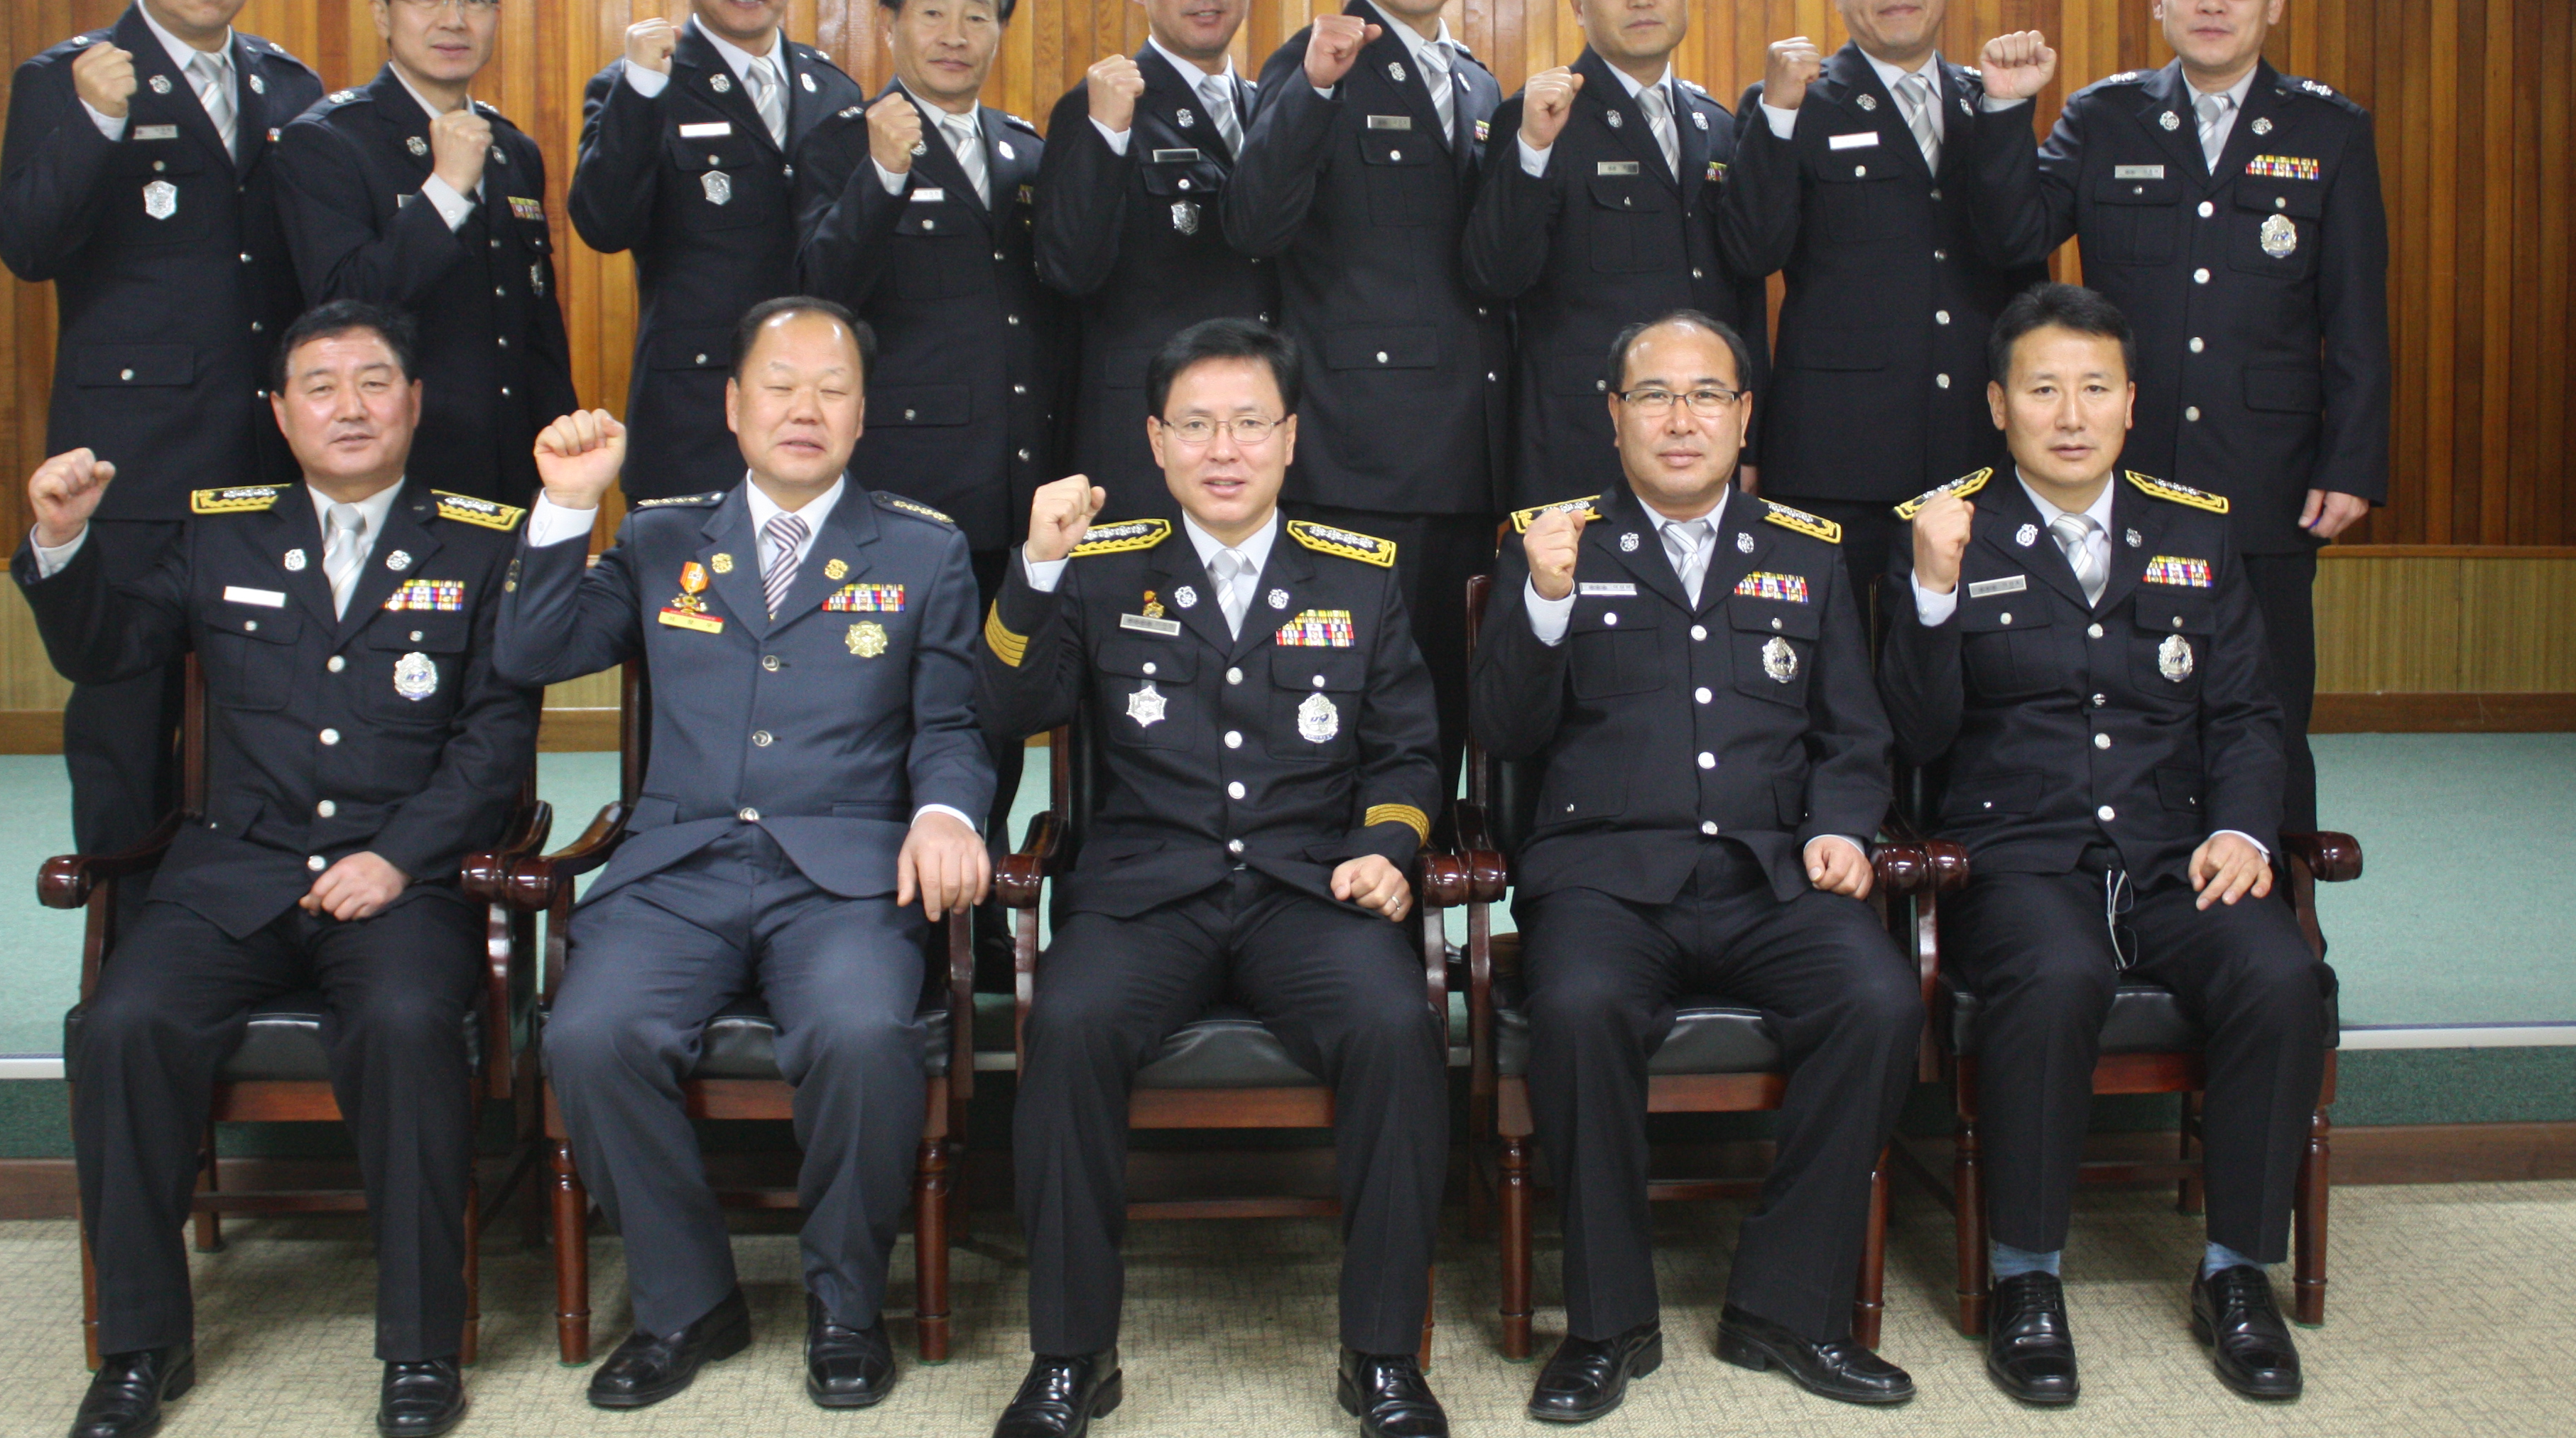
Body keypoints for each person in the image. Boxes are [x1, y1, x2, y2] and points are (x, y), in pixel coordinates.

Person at [14, 300, 536, 1438]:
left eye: (374, 382)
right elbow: (108, 650)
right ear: (281, 413)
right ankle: (139, 1347)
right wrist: (63, 543)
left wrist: (396, 858)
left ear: (415, 402)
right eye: (320, 387)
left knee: (405, 1023)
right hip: (234, 873)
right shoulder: (223, 532)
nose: (350, 407)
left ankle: (420, 1347)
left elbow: (495, 746)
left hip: (403, 884)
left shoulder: (484, 540)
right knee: (122, 1024)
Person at [497, 297, 991, 1414]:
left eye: (831, 389)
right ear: (733, 405)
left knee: (863, 1036)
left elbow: (952, 727)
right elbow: (531, 651)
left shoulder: (924, 549)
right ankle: (686, 1302)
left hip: (847, 877)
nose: (804, 409)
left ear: (862, 415)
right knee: (590, 1034)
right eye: (779, 386)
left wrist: (946, 815)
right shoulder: (660, 537)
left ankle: (846, 1308)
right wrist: (567, 505)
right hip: (680, 871)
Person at [974, 315, 1450, 1438]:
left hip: (1308, 892)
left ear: (1291, 438)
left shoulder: (1362, 575)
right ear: (1156, 441)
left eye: (1248, 424)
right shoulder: (1099, 568)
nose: (1223, 450)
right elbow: (1009, 705)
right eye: (1196, 426)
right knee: (1068, 1026)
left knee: (1396, 1027)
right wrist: (1035, 568)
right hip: (1147, 896)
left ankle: (1383, 1356)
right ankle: (1072, 1358)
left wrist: (1385, 848)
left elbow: (1408, 755)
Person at [1879, 281, 2331, 1407]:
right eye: (2043, 390)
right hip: (2019, 858)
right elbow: (1914, 737)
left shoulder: (2196, 530)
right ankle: (2027, 1276)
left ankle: (2237, 1274)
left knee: (2282, 974)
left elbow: (2248, 713)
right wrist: (1932, 593)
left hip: (2177, 852)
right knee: (2055, 974)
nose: (2070, 415)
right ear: (1999, 404)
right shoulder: (1944, 529)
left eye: (2094, 388)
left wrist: (2242, 828)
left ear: (2133, 402)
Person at [1470, 312, 1920, 1422]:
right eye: (1654, 396)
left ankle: (1785, 1307)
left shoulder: (1806, 551)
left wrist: (1843, 827)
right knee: (1578, 1008)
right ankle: (1609, 1324)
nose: (1682, 419)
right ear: (1614, 416)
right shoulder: (1552, 542)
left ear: (1744, 415)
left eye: (1707, 395)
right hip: (1605, 882)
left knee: (1877, 998)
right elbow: (1503, 733)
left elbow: (1854, 735)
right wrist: (1544, 602)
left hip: (1772, 878)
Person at [1973, 0, 2390, 832]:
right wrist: (2006, 111)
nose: (2213, 1)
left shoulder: (2329, 130)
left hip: (2266, 470)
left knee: (2266, 696)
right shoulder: (2106, 115)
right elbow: (2015, 235)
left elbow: (2357, 315)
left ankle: (2275, 885)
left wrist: (2352, 462)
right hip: (2122, 467)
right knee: (2127, 690)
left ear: (2275, 2)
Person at [0, 0, 325, 858]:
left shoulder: (289, 84)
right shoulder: (70, 79)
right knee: (126, 718)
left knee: (265, 712)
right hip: (134, 460)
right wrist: (95, 123)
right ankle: (121, 933)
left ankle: (244, 918)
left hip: (268, 462)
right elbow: (28, 246)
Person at [1227, 0, 1508, 789]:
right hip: (1360, 452)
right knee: (1344, 697)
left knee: (1446, 692)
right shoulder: (1319, 61)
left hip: (1463, 448)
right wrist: (1314, 87)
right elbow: (1254, 223)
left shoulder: (1476, 82)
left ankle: (1423, 857)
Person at [797, 0, 1060, 887]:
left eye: (977, 15)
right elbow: (819, 292)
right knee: (887, 705)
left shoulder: (1025, 150)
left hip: (1014, 487)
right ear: (890, 23)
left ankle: (976, 906)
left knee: (997, 702)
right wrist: (881, 176)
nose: (956, 35)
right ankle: (882, 903)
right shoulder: (839, 143)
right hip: (903, 493)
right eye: (933, 12)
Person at [1714, 0, 2046, 629]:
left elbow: (2021, 259)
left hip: (1974, 449)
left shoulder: (1990, 99)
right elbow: (1752, 250)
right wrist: (1776, 115)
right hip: (1838, 458)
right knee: (1834, 663)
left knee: (1967, 663)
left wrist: (2008, 110)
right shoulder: (1794, 101)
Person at [567, 0, 865, 499]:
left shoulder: (834, 90)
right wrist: (641, 91)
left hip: (818, 422)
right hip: (693, 419)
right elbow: (603, 223)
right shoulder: (640, 84)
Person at [1464, 0, 1756, 512]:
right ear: (1577, 3)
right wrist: (1533, 150)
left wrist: (1752, 442)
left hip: (1703, 447)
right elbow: (1497, 275)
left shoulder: (1717, 125)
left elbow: (1743, 296)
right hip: (1580, 445)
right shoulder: (1539, 119)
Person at [272, 0, 576, 504]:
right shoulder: (329, 141)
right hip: (401, 469)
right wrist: (445, 191)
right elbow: (343, 307)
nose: (454, 20)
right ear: (382, 14)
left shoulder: (513, 149)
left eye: (474, 0)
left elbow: (537, 326)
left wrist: (560, 450)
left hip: (518, 466)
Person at [1034, 0, 1277, 518]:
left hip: (1259, 436)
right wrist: (1108, 135)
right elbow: (1068, 268)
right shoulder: (1100, 107)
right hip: (1150, 440)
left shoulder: (1270, 109)